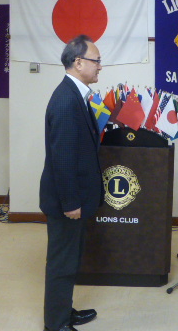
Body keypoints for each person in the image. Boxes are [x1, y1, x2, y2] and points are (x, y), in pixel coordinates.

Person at [40, 35, 105, 331]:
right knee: (62, 263)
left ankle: (64, 311)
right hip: (67, 201)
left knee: (70, 259)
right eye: (96, 61)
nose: (100, 66)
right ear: (78, 63)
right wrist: (71, 203)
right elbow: (63, 158)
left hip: (74, 197)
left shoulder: (76, 94)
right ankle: (56, 324)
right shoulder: (67, 100)